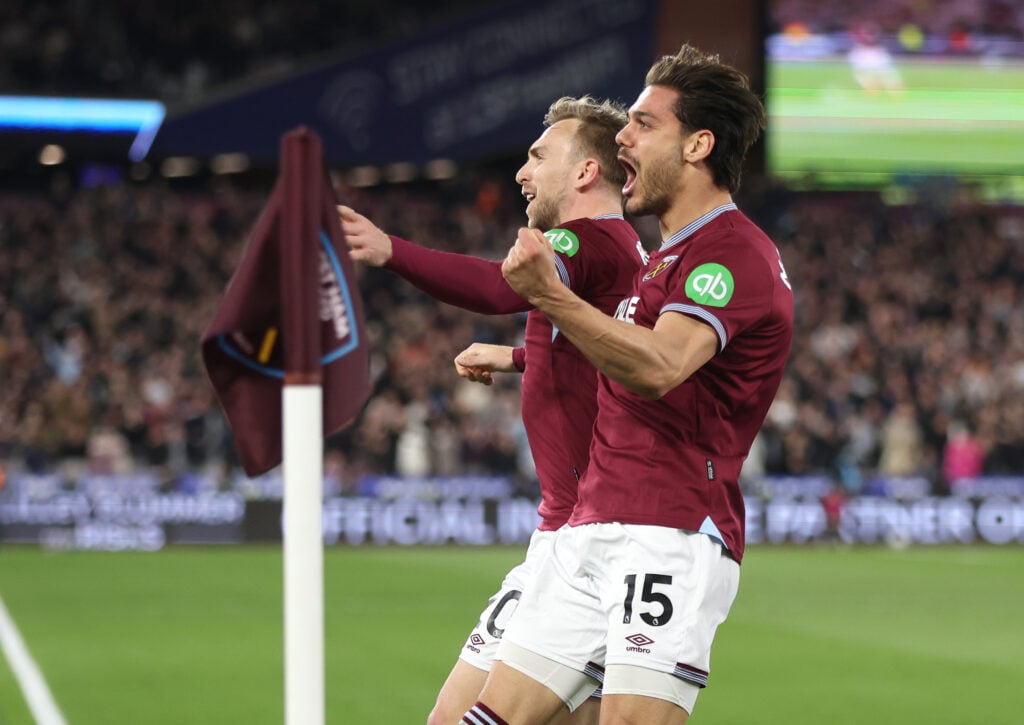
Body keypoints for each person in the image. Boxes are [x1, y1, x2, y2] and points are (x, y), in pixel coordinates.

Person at [462, 44, 794, 725]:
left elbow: (659, 365)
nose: (622, 138)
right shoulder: (662, 258)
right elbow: (615, 352)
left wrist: (551, 299)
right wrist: (517, 355)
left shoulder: (731, 252)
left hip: (668, 532)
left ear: (699, 144)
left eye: (643, 124)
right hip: (588, 529)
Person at [339, 95, 646, 724]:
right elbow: (599, 353)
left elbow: (497, 285)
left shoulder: (586, 241)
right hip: (564, 529)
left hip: (592, 542)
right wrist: (516, 358)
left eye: (538, 156)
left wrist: (388, 248)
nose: (521, 172)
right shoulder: (616, 252)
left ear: (585, 172)